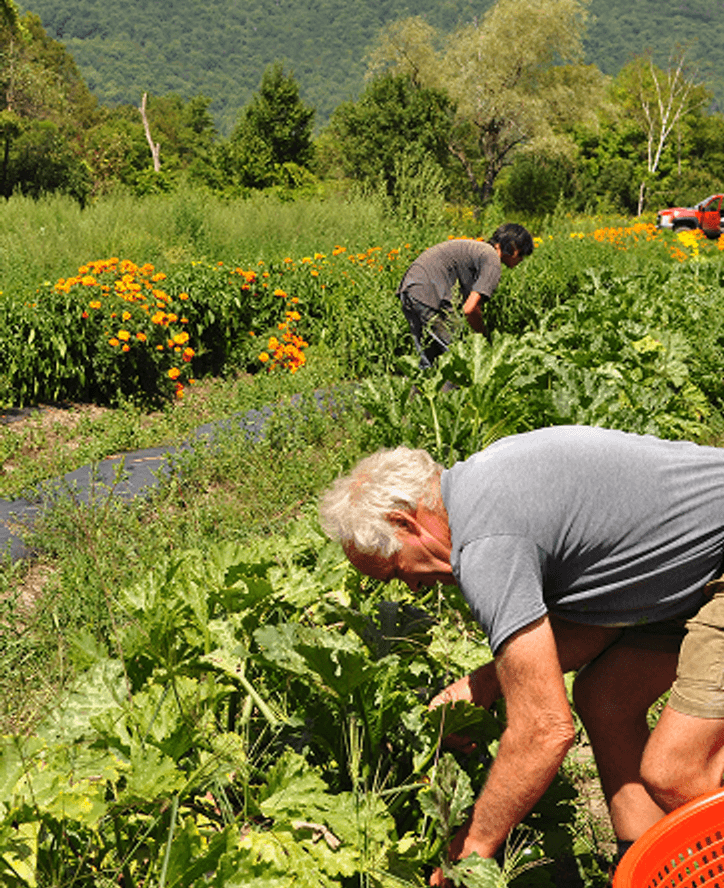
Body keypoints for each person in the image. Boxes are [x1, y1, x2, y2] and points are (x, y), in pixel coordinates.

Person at [318, 426, 724, 884]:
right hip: (686, 578)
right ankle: (645, 869)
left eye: (395, 571)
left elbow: (544, 731)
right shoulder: (480, 487)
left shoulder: (487, 546)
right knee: (605, 699)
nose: (411, 588)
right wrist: (486, 682)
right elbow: (598, 624)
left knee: (677, 771)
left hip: (715, 563)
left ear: (405, 523)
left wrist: (472, 849)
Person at [397, 223, 534, 368]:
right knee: (460, 359)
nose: (521, 260)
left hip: (410, 290)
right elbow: (470, 309)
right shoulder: (492, 259)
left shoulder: (477, 249)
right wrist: (483, 338)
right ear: (513, 248)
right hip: (429, 294)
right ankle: (452, 390)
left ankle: (422, 389)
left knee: (430, 360)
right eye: (521, 255)